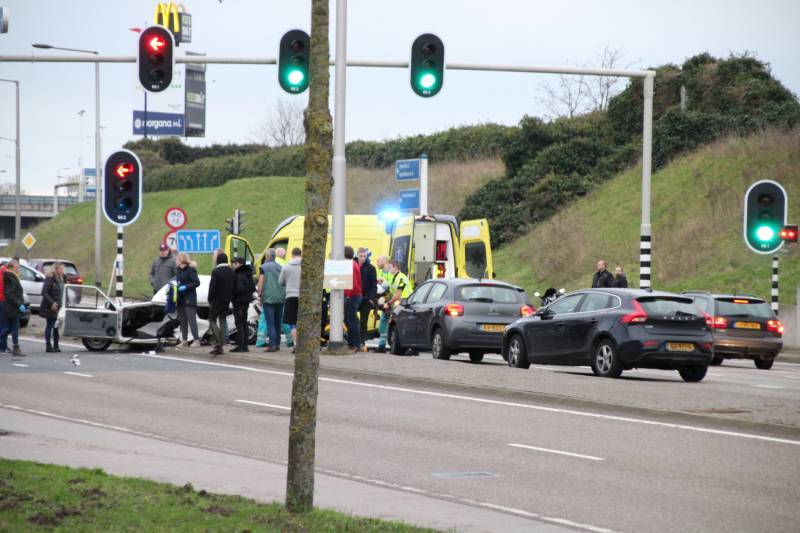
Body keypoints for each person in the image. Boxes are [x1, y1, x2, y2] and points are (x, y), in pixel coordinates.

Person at [257, 248, 285, 352]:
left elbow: (261, 282)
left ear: (267, 256)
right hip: (280, 297)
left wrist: (259, 294)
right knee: (278, 322)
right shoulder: (281, 267)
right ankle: (277, 343)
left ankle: (272, 344)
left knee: (270, 322)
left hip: (268, 297)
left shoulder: (263, 267)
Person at [208, 252, 235, 356]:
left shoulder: (216, 271)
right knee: (223, 320)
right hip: (226, 300)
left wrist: (210, 299)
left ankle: (218, 342)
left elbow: (212, 287)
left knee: (212, 320)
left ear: (218, 260)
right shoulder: (231, 271)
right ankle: (222, 343)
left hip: (216, 300)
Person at [175, 253, 201, 348]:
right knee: (183, 321)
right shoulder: (178, 270)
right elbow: (178, 281)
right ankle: (184, 340)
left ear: (181, 260)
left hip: (189, 298)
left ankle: (196, 340)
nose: (176, 261)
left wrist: (186, 287)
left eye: (177, 259)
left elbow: (196, 282)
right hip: (180, 298)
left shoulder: (191, 270)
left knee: (191, 320)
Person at [278, 247, 302, 351]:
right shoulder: (305, 266)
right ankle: (304, 345)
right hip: (303, 297)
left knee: (293, 323)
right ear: (301, 254)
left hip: (290, 297)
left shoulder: (286, 266)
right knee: (303, 321)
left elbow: (280, 282)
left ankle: (296, 345)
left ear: (292, 255)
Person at [1, 259, 26, 356]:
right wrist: (19, 304)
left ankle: (10, 347)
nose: (18, 269)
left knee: (9, 328)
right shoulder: (10, 277)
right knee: (11, 328)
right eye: (17, 267)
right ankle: (15, 348)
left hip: (11, 306)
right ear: (12, 267)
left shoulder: (12, 276)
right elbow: (9, 293)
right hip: (11, 306)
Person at [231, 257, 256, 353]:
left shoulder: (238, 274)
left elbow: (239, 289)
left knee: (239, 323)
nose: (233, 265)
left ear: (239, 264)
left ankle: (240, 345)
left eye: (234, 263)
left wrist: (232, 294)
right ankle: (245, 344)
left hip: (238, 301)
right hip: (246, 301)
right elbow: (253, 288)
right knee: (244, 322)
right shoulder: (249, 274)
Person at [40, 262, 65, 353]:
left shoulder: (62, 279)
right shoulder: (50, 278)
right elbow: (44, 292)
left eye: (63, 269)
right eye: (61, 269)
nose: (63, 271)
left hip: (59, 307)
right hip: (50, 307)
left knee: (56, 326)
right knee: (50, 325)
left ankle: (56, 345)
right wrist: (52, 303)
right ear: (56, 269)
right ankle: (48, 345)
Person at [356, 247, 377, 351]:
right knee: (351, 319)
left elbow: (374, 285)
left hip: (366, 298)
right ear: (357, 256)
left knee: (364, 321)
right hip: (355, 296)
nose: (363, 258)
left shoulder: (371, 268)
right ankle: (354, 339)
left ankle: (361, 341)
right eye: (361, 256)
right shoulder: (353, 266)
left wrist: (370, 298)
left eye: (364, 256)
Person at [343, 245, 363, 353]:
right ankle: (352, 343)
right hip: (354, 295)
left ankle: (355, 344)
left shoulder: (350, 265)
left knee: (351, 321)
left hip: (353, 296)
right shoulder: (353, 264)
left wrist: (348, 295)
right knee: (349, 320)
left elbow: (353, 283)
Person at [373, 256, 393, 353]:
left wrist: (384, 284)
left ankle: (385, 346)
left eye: (378, 260)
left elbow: (390, 286)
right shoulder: (381, 271)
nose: (376, 262)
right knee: (383, 323)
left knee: (387, 323)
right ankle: (382, 346)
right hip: (387, 300)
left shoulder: (391, 271)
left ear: (384, 261)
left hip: (392, 301)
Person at [274, 247, 293, 347]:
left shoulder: (271, 263)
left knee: (275, 319)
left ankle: (270, 341)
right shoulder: (285, 264)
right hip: (285, 294)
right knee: (285, 318)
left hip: (273, 294)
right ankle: (290, 338)